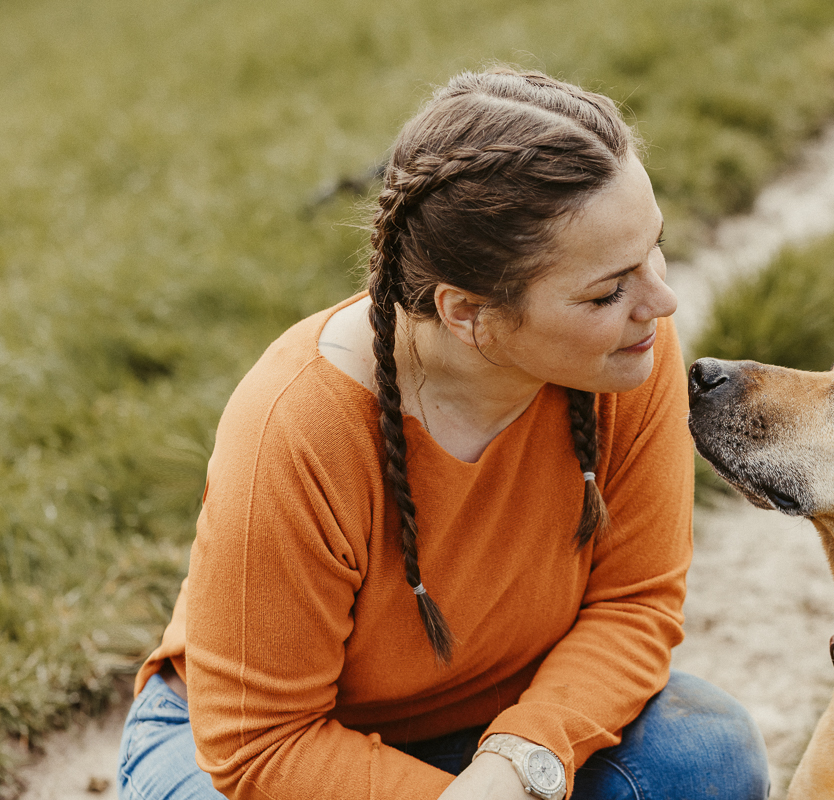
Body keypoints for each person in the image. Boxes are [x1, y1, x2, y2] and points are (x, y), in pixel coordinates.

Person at [117, 66, 770, 800]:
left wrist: (519, 762)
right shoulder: (294, 430)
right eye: (606, 291)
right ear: (466, 313)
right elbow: (258, 744)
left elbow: (635, 603)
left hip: (494, 726)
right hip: (254, 757)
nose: (661, 298)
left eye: (654, 247)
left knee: (706, 753)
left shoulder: (625, 352)